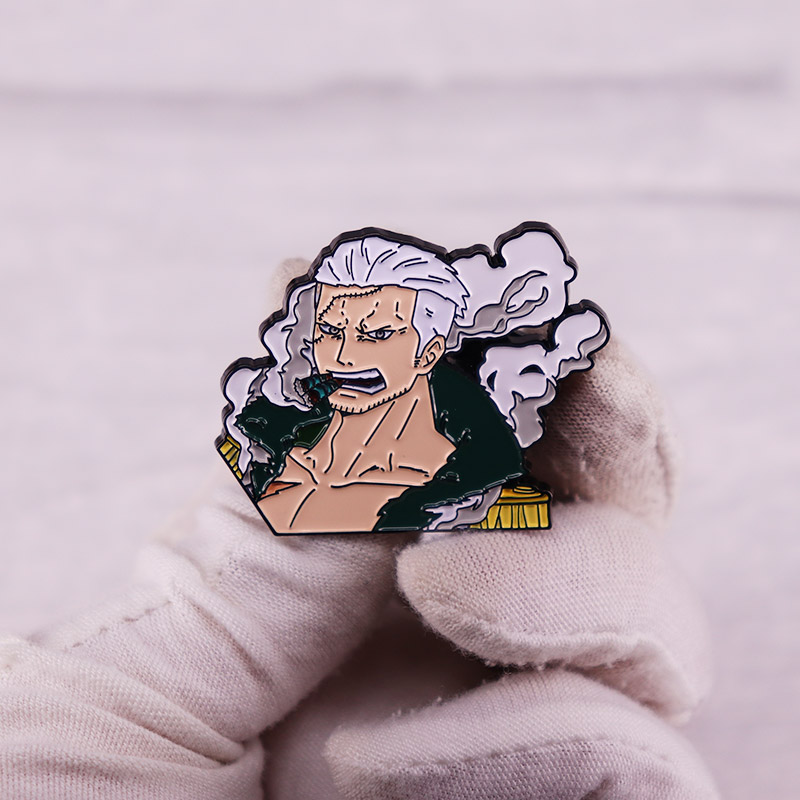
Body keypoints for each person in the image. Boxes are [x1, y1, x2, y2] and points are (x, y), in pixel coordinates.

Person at [218, 224, 610, 534]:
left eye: (376, 334)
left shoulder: (452, 486)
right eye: (331, 331)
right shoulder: (262, 443)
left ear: (429, 353)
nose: (342, 356)